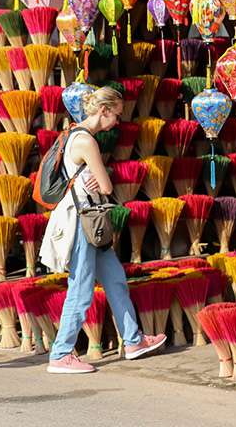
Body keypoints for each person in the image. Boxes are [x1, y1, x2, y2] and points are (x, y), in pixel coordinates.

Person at [40, 86, 166, 374]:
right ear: (103, 111)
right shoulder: (86, 141)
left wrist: (98, 178)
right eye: (116, 116)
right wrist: (103, 178)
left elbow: (97, 181)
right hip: (83, 222)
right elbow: (108, 188)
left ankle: (133, 341)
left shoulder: (73, 134)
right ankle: (60, 354)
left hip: (91, 222)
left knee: (115, 279)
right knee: (81, 288)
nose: (118, 123)